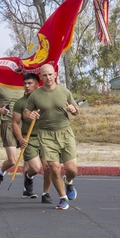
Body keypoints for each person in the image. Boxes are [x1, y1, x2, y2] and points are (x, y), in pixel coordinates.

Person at [23, 63, 80, 210]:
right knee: (54, 168)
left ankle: (69, 183)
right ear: (40, 78)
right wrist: (31, 115)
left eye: (50, 74)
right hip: (46, 134)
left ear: (55, 74)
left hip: (65, 132)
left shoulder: (64, 92)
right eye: (44, 75)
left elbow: (76, 111)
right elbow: (26, 113)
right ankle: (63, 198)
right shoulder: (35, 95)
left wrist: (73, 110)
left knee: (72, 169)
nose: (48, 77)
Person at [11, 72, 45, 200]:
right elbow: (15, 122)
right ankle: (29, 177)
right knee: (36, 168)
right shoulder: (20, 103)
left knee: (49, 167)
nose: (27, 86)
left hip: (46, 137)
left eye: (30, 83)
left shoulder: (44, 98)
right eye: (25, 83)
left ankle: (45, 194)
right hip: (29, 137)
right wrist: (20, 139)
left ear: (37, 84)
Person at [0, 83, 23, 189]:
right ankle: (1, 172)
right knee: (12, 161)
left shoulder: (24, 85)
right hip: (8, 124)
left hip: (23, 123)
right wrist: (0, 110)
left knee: (30, 159)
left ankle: (27, 188)